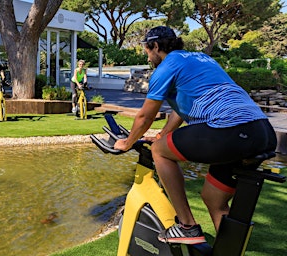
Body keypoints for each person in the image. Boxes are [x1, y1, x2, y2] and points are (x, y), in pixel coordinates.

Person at [113, 26, 276, 244]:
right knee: (213, 199)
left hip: (229, 130)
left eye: (146, 49)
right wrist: (163, 134)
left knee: (159, 152)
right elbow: (181, 111)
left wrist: (127, 142)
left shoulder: (166, 66)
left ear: (156, 46)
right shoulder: (201, 59)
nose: (147, 54)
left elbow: (145, 116)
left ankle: (187, 226)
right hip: (262, 131)